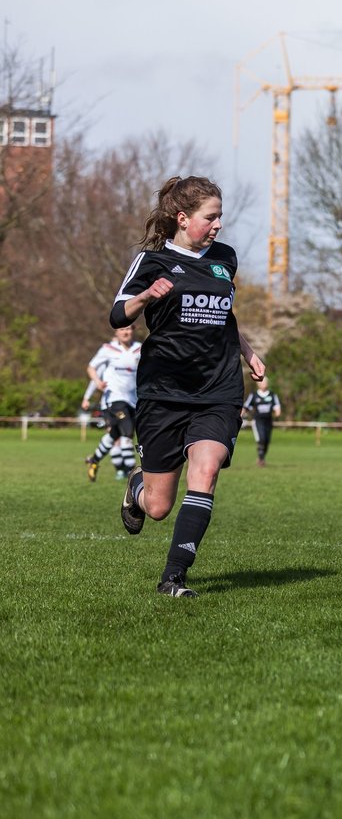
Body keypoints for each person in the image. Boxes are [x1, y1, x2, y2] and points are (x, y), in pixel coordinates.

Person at [109, 176, 265, 598]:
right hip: (163, 391)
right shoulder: (152, 260)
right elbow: (118, 315)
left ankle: (174, 577)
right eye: (209, 218)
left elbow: (224, 316)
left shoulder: (226, 258)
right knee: (158, 507)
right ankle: (136, 488)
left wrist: (247, 352)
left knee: (207, 470)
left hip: (219, 389)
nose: (217, 226)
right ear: (183, 218)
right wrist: (146, 298)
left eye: (220, 217)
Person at [81, 326, 142, 482]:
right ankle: (131, 473)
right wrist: (97, 383)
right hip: (113, 400)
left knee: (115, 433)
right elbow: (91, 367)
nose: (125, 332)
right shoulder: (108, 349)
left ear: (133, 331)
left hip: (132, 401)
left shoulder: (139, 349)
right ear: (116, 333)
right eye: (122, 329)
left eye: (128, 329)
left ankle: (94, 460)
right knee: (127, 432)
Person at [242, 376, 282, 467]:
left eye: (265, 382)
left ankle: (262, 457)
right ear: (258, 384)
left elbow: (277, 407)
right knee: (261, 439)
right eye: (261, 382)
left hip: (268, 421)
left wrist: (277, 412)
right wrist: (240, 415)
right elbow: (246, 406)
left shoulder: (272, 395)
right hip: (257, 421)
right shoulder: (254, 395)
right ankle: (261, 459)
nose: (263, 384)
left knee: (267, 441)